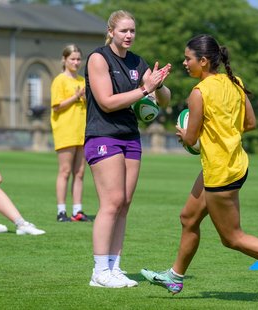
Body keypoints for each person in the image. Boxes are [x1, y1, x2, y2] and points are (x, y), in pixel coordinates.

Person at [141, 34, 258, 304]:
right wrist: (221, 130)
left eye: (188, 58)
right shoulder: (235, 82)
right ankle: (175, 276)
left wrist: (184, 135)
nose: (185, 63)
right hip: (230, 164)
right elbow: (250, 123)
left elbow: (192, 140)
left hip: (221, 172)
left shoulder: (198, 93)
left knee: (232, 238)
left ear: (204, 61)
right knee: (188, 218)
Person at [84, 10, 172, 288]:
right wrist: (145, 90)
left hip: (130, 137)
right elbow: (107, 102)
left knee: (124, 204)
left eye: (132, 30)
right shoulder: (99, 58)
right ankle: (99, 272)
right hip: (102, 136)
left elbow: (164, 100)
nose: (129, 35)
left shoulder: (137, 62)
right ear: (111, 32)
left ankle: (115, 267)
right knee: (111, 202)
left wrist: (159, 85)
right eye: (123, 30)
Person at [50, 44, 91, 222]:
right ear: (64, 60)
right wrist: (76, 97)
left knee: (80, 172)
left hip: (82, 130)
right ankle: (61, 210)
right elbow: (57, 106)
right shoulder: (60, 80)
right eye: (72, 59)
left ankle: (77, 210)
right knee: (65, 171)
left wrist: (84, 97)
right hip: (65, 130)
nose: (76, 62)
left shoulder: (82, 80)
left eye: (78, 59)